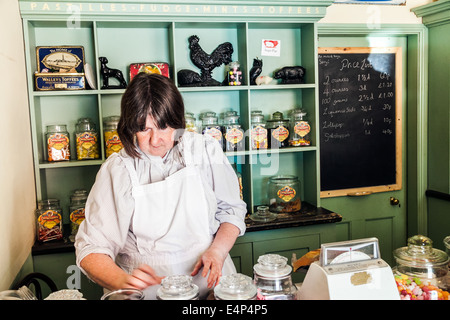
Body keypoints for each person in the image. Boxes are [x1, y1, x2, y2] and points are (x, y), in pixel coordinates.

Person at [75, 72, 246, 299]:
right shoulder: (117, 171)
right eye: (144, 129)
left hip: (211, 285)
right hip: (148, 293)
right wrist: (123, 281)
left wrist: (218, 251)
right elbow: (90, 249)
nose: (156, 140)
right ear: (130, 128)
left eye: (164, 127)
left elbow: (231, 212)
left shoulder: (205, 150)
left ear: (178, 120)